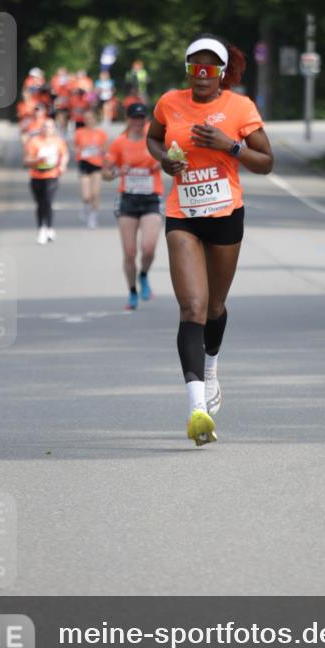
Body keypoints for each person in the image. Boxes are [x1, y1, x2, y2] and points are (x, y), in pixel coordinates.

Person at [146, 34, 273, 446]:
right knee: (192, 307)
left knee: (215, 307)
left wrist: (230, 146)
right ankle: (197, 409)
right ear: (188, 70)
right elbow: (153, 136)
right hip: (182, 214)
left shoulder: (240, 107)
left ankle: (212, 363)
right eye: (195, 67)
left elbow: (266, 162)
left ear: (221, 72)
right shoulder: (169, 102)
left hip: (225, 215)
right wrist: (163, 159)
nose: (202, 75)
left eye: (209, 68)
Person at [103, 102, 163, 310]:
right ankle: (132, 292)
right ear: (128, 120)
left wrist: (162, 161)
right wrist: (118, 172)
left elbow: (172, 156)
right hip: (127, 199)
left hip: (151, 198)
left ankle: (144, 275)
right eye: (134, 118)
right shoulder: (119, 143)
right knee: (129, 252)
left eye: (141, 118)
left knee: (148, 248)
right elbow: (105, 173)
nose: (138, 122)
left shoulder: (153, 140)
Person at [23, 119, 69, 244]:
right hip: (36, 176)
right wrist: (38, 161)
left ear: (54, 129)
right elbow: (27, 160)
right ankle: (41, 228)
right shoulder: (34, 142)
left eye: (49, 127)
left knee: (48, 201)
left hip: (52, 175)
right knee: (40, 204)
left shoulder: (58, 141)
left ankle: (49, 227)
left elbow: (64, 154)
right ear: (41, 128)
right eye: (44, 126)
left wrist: (63, 165)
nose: (47, 129)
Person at [74, 108, 108, 228]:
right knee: (86, 195)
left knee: (95, 193)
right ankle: (86, 208)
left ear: (95, 119)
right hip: (84, 164)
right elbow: (75, 147)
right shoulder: (79, 132)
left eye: (90, 118)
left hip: (97, 165)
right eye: (86, 118)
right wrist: (78, 151)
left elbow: (105, 150)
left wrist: (105, 160)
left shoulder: (101, 134)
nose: (88, 120)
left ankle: (93, 216)